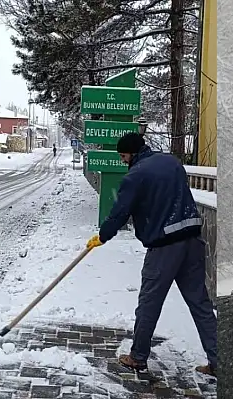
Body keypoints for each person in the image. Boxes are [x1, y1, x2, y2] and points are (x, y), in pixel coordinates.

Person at [85, 133, 218, 376]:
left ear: (132, 153)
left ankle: (137, 357)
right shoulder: (171, 162)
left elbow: (120, 211)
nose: (123, 161)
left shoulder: (136, 175)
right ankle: (219, 361)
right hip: (192, 239)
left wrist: (103, 235)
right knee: (201, 304)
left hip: (165, 247)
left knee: (149, 303)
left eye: (124, 156)